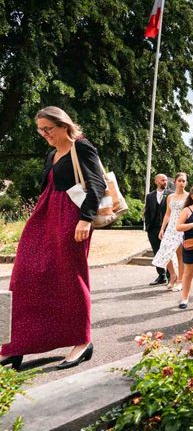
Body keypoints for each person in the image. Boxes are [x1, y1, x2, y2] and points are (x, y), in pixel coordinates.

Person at [0, 106, 105, 370]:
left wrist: (86, 217)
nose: (44, 134)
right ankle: (14, 345)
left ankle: (82, 341)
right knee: (22, 276)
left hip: (72, 218)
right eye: (41, 130)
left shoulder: (82, 147)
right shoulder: (51, 153)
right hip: (44, 216)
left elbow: (97, 184)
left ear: (64, 125)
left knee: (71, 278)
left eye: (48, 129)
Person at [151, 172, 188, 290]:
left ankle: (180, 281)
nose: (182, 183)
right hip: (171, 227)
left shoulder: (188, 197)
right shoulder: (170, 197)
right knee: (164, 251)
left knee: (180, 254)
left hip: (182, 226)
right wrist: (162, 229)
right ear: (175, 182)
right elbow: (167, 214)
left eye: (184, 181)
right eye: (180, 181)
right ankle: (173, 276)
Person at [144, 174, 169, 285]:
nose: (165, 182)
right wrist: (148, 227)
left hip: (167, 228)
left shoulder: (171, 195)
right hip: (153, 229)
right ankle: (161, 275)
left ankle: (170, 275)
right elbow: (147, 212)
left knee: (168, 252)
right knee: (157, 252)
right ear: (156, 182)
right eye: (163, 180)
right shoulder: (150, 196)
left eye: (166, 180)